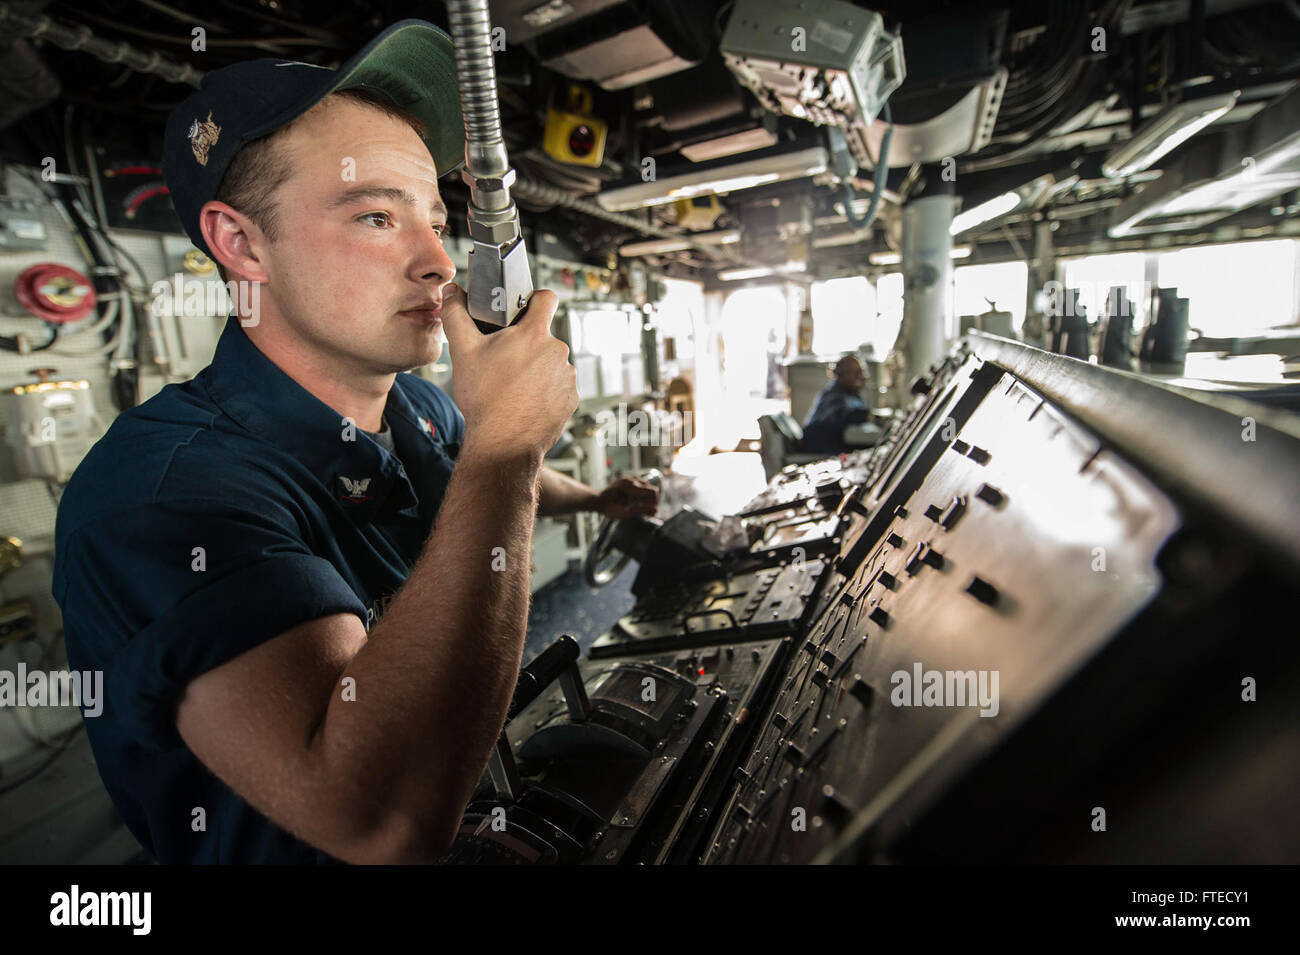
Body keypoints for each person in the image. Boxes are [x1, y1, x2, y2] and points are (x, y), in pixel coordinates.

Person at [51, 20, 657, 865]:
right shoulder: (159, 496)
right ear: (241, 242)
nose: (439, 262)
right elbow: (377, 820)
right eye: (376, 215)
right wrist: (508, 451)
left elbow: (464, 469)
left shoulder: (415, 409)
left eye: (435, 219)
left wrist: (590, 493)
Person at [800, 354, 871, 454]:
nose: (860, 376)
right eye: (853, 372)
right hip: (820, 447)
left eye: (861, 372)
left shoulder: (853, 395)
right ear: (839, 375)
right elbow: (846, 417)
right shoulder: (832, 396)